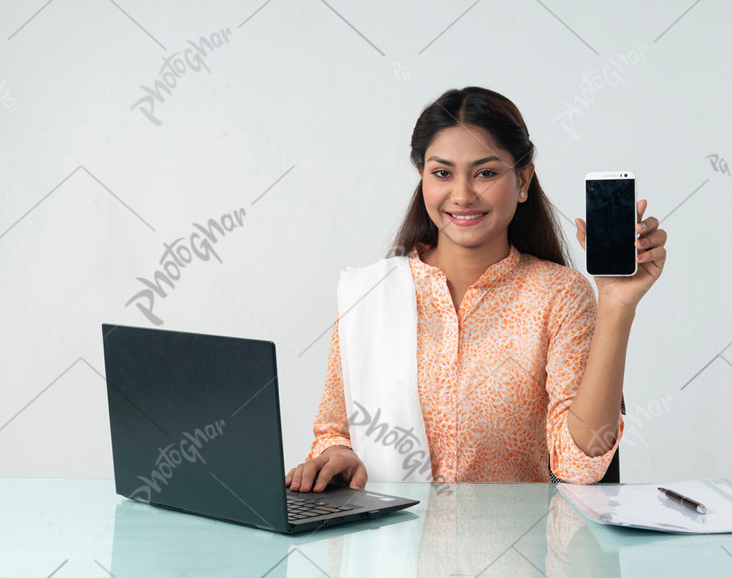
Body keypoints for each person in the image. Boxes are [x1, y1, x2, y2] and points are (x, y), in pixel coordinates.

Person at [285, 86, 668, 493]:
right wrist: (339, 454)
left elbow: (580, 465)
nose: (463, 194)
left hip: (519, 552)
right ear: (422, 179)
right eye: (442, 173)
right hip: (391, 549)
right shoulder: (371, 294)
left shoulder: (559, 295)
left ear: (523, 180)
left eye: (485, 172)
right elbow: (333, 432)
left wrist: (616, 304)